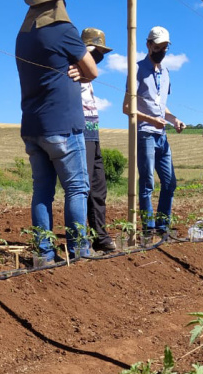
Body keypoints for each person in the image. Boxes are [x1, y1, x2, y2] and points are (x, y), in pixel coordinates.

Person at [16, 0, 98, 262]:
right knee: (76, 189)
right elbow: (92, 70)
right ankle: (79, 251)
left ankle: (44, 253)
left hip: (31, 125)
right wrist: (80, 72)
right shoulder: (63, 30)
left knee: (42, 191)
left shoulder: (23, 36)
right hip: (62, 125)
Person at [123, 26, 186, 237]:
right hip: (145, 133)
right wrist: (152, 120)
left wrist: (174, 119)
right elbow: (126, 107)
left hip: (162, 135)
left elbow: (161, 107)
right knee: (148, 182)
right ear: (148, 45)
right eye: (158, 46)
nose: (162, 51)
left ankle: (162, 226)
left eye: (165, 47)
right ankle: (148, 229)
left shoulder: (166, 73)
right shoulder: (137, 70)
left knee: (169, 183)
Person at [79, 27, 116, 252]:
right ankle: (86, 240)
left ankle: (99, 237)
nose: (98, 58)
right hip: (82, 131)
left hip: (93, 130)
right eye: (95, 52)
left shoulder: (87, 73)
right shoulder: (73, 68)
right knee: (86, 187)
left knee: (98, 187)